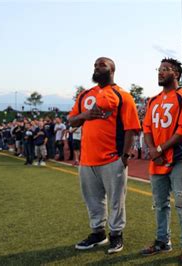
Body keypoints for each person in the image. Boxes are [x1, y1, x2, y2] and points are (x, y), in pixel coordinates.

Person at [69, 57, 141, 253]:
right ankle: (98, 233)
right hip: (87, 159)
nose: (97, 67)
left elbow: (131, 128)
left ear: (112, 69)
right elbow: (72, 121)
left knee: (116, 200)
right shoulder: (85, 95)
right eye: (94, 65)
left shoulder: (123, 95)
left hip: (112, 158)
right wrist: (85, 115)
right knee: (92, 199)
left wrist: (124, 156)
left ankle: (116, 235)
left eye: (101, 64)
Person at [140, 58, 182, 265]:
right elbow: (146, 128)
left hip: (178, 157)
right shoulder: (153, 100)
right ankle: (163, 240)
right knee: (159, 204)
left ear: (176, 74)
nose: (160, 72)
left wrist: (159, 149)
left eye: (166, 69)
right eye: (160, 69)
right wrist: (152, 149)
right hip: (158, 159)